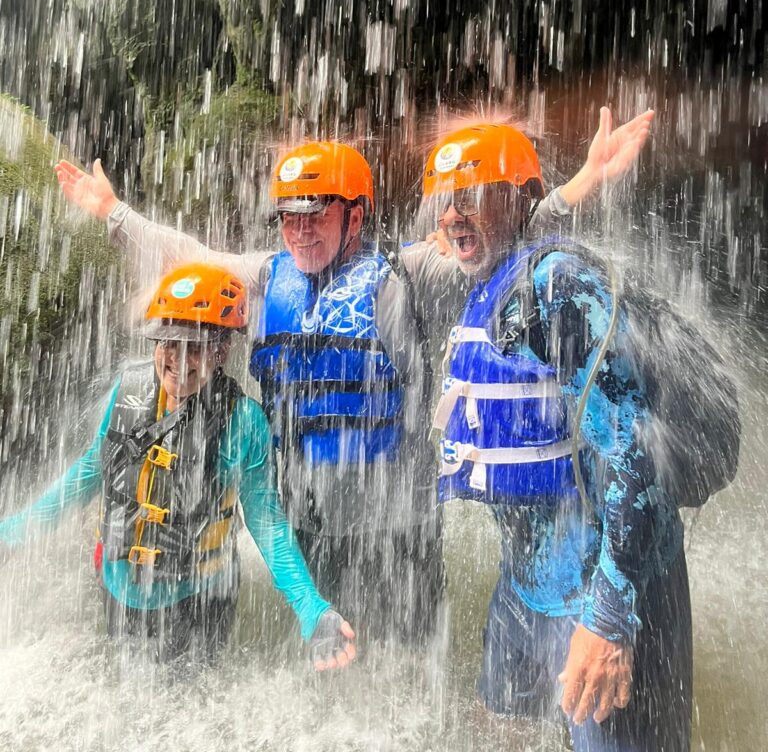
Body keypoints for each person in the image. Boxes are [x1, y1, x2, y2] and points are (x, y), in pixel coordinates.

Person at [52, 108, 654, 645]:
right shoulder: (265, 278)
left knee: (408, 668)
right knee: (328, 660)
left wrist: (582, 184)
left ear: (356, 215)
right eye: (289, 217)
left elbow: (501, 242)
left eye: (315, 215)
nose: (300, 230)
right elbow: (190, 256)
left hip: (397, 528)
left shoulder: (409, 274)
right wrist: (115, 213)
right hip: (311, 520)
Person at [421, 122, 691, 752]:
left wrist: (609, 615)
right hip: (523, 591)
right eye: (447, 199)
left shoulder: (560, 284)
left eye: (475, 196)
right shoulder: (489, 278)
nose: (456, 215)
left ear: (519, 200)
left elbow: (634, 442)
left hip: (606, 593)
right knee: (501, 734)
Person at [0, 262, 356, 668]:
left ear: (222, 350)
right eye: (169, 343)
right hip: (118, 589)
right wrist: (12, 533)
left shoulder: (243, 422)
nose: (178, 360)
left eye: (196, 347)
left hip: (197, 603)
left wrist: (312, 609)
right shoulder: (128, 390)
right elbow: (90, 470)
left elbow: (268, 524)